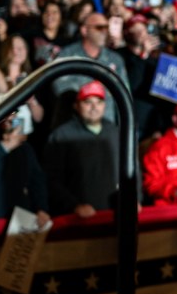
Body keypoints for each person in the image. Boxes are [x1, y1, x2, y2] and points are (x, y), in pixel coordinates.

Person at [43, 80, 126, 217]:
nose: (94, 107)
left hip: (115, 214)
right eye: (87, 102)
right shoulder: (61, 135)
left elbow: (132, 170)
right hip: (77, 219)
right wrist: (74, 206)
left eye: (98, 102)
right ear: (76, 106)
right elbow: (51, 179)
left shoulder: (115, 132)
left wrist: (134, 199)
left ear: (105, 105)